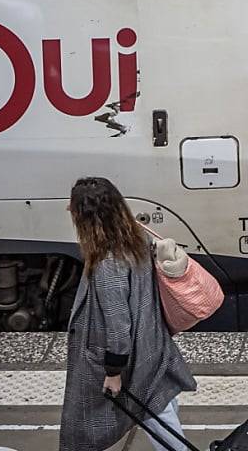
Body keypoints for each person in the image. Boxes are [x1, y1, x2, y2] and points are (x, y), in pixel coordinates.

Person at [59, 177, 197, 451]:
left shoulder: (108, 262)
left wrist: (113, 373)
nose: (68, 209)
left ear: (87, 217)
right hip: (150, 346)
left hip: (127, 359)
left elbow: (117, 324)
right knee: (161, 409)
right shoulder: (138, 238)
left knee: (83, 429)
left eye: (73, 206)